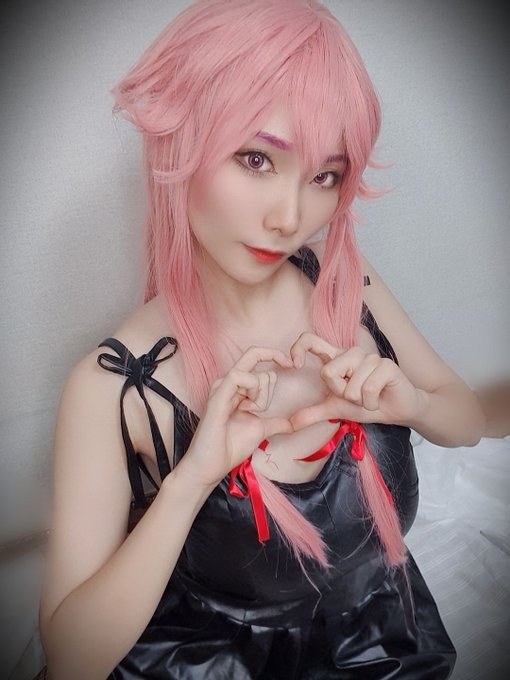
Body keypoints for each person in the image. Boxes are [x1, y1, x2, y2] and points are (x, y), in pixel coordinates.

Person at [39, 1, 486, 678]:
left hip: (382, 648)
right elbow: (72, 660)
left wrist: (414, 406)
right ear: (180, 143)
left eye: (324, 176)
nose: (290, 217)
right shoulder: (117, 387)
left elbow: (470, 423)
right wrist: (192, 480)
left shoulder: (344, 281)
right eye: (256, 159)